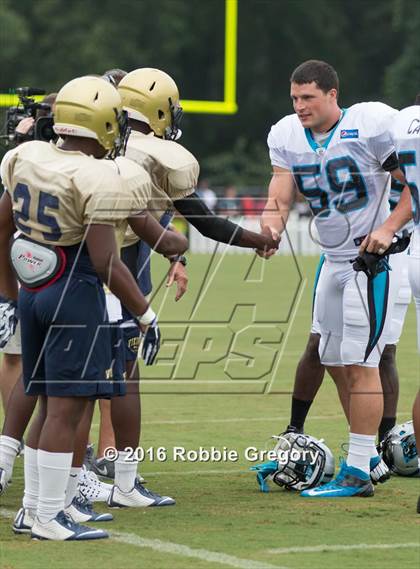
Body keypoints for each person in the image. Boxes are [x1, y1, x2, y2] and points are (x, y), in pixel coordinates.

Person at [0, 75, 171, 539]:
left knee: (45, 405)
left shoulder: (25, 155)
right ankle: (49, 516)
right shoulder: (98, 175)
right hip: (72, 292)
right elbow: (106, 261)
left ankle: (32, 508)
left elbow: (1, 225)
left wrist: (11, 294)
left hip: (34, 289)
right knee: (65, 410)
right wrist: (145, 313)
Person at [260, 59, 412, 498]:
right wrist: (272, 230)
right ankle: (367, 459)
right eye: (294, 97)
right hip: (332, 259)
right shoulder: (286, 134)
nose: (299, 106)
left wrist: (386, 230)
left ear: (332, 95)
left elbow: (413, 186)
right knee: (330, 355)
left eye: (308, 97)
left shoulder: (368, 125)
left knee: (364, 362)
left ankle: (359, 472)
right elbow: (280, 191)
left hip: (371, 260)